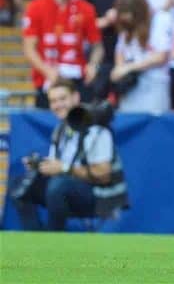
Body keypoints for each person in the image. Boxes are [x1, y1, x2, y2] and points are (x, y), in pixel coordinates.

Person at [9, 78, 128, 231]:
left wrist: (63, 169)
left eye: (62, 99)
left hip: (99, 196)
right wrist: (41, 165)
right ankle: (36, 238)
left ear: (76, 97)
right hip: (63, 189)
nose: (58, 105)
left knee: (58, 185)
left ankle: (54, 239)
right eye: (53, 101)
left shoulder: (96, 128)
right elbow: (57, 166)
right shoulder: (59, 130)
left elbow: (104, 175)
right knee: (19, 185)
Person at [22, 0, 104, 109]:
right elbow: (29, 48)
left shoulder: (86, 8)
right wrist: (47, 71)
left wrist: (94, 65)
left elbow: (97, 46)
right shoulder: (36, 7)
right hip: (47, 81)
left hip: (77, 81)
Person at [81, 0, 144, 100]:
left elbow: (143, 20)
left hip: (129, 53)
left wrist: (124, 18)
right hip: (99, 52)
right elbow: (81, 23)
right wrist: (105, 21)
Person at [111, 0, 171, 114]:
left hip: (154, 84)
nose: (129, 22)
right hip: (130, 86)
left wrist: (130, 67)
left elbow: (161, 56)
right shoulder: (126, 26)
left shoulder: (160, 20)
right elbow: (120, 52)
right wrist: (118, 69)